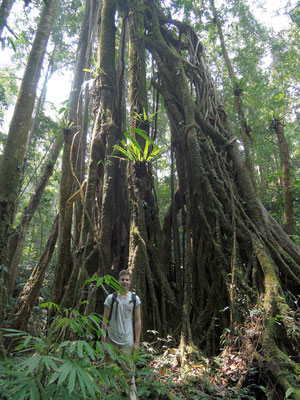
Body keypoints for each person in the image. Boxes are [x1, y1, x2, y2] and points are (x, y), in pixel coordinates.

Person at [101, 269, 141, 399]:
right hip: (111, 340)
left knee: (129, 373)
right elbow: (104, 320)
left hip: (127, 342)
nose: (125, 282)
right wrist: (103, 341)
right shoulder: (110, 298)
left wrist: (136, 342)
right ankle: (106, 396)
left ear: (130, 282)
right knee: (108, 371)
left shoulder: (135, 299)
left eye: (127, 280)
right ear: (118, 281)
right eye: (122, 279)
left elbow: (137, 321)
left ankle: (131, 397)